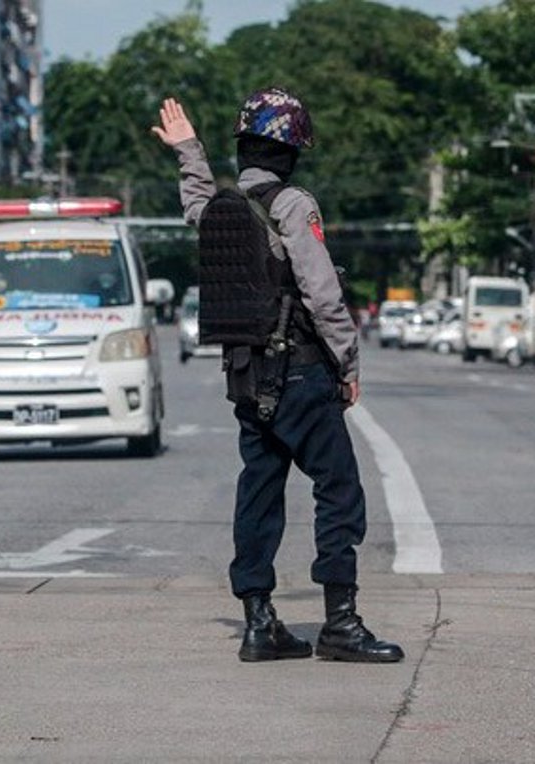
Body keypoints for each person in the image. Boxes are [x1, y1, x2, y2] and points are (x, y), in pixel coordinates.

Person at [152, 89, 404, 663]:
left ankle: (259, 622)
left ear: (245, 147)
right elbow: (322, 292)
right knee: (339, 491)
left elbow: (194, 203)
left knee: (260, 492)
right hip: (301, 373)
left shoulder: (223, 208)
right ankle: (340, 623)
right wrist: (347, 361)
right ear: (291, 150)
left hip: (246, 376)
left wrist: (189, 148)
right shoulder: (293, 204)